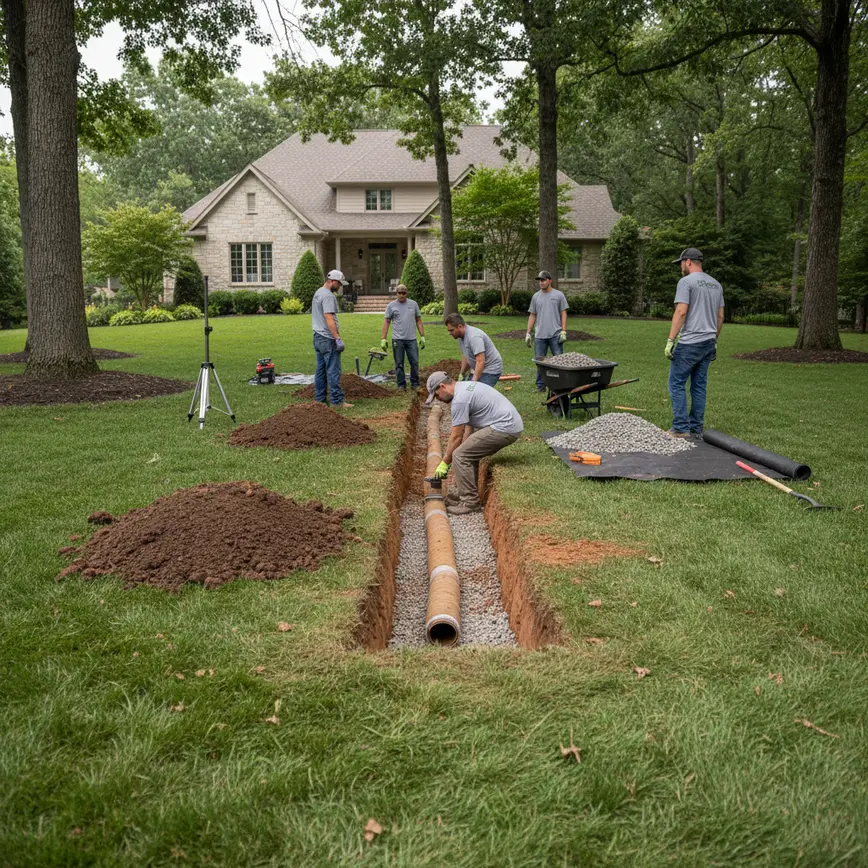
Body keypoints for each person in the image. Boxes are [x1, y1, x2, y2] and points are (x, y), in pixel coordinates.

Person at [426, 372, 523, 515]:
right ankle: (467, 493)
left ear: (442, 387)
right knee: (465, 453)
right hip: (509, 424)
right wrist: (463, 449)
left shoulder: (460, 400)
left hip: (504, 428)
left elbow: (456, 437)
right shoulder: (465, 387)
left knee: (459, 455)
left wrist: (445, 462)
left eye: (436, 395)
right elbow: (468, 430)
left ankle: (470, 502)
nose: (438, 399)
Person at [664, 247, 724, 438]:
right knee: (699, 386)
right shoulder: (716, 285)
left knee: (676, 383)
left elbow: (681, 311)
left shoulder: (686, 282)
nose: (680, 267)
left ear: (688, 262)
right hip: (708, 342)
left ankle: (681, 428)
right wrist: (714, 340)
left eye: (681, 263)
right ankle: (696, 428)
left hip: (690, 342)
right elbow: (720, 316)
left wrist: (670, 340)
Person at [312, 269, 353, 409]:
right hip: (328, 338)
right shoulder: (328, 296)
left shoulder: (318, 292)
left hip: (317, 337)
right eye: (339, 283)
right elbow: (329, 317)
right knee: (333, 370)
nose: (340, 286)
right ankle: (337, 401)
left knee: (321, 370)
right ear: (333, 281)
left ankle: (319, 399)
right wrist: (337, 338)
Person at [525, 270, 569, 392]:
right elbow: (532, 315)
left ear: (550, 281)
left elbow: (563, 313)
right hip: (540, 335)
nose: (541, 282)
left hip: (555, 334)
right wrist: (528, 333)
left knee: (559, 361)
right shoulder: (536, 296)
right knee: (540, 361)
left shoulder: (559, 295)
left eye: (543, 280)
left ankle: (561, 384)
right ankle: (541, 386)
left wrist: (564, 331)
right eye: (540, 280)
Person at [380, 284, 425, 391]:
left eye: (403, 293)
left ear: (407, 293)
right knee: (399, 363)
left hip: (411, 339)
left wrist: (422, 336)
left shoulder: (413, 304)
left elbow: (418, 320)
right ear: (396, 293)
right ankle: (401, 385)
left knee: (414, 362)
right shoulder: (391, 306)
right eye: (399, 293)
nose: (401, 295)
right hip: (398, 339)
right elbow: (387, 322)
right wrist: (383, 338)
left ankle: (415, 383)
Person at [444, 313, 503, 387]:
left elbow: (480, 361)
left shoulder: (474, 337)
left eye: (451, 330)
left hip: (490, 370)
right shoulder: (460, 336)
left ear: (460, 326)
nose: (449, 333)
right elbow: (466, 355)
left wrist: (473, 383)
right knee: (464, 388)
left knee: (475, 391)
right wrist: (462, 373)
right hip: (478, 368)